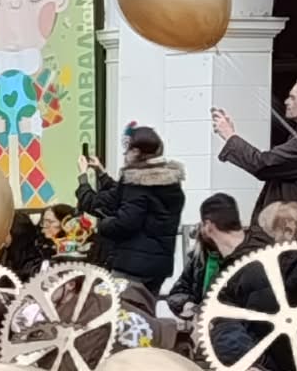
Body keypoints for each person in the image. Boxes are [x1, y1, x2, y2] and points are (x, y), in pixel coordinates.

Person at [77, 126, 185, 293]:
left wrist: (102, 224)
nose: (124, 154)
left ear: (135, 151)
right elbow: (124, 198)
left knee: (120, 312)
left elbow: (123, 221)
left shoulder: (137, 183)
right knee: (146, 312)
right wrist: (102, 173)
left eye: (127, 149)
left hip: (132, 265)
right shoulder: (170, 183)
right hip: (158, 267)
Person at [214, 78, 297, 218]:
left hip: (292, 230)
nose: (286, 102)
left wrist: (230, 136)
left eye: (292, 98)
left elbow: (263, 164)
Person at [164, 192, 250, 316]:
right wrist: (188, 305)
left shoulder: (248, 258)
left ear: (209, 226)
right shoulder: (200, 256)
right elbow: (177, 292)